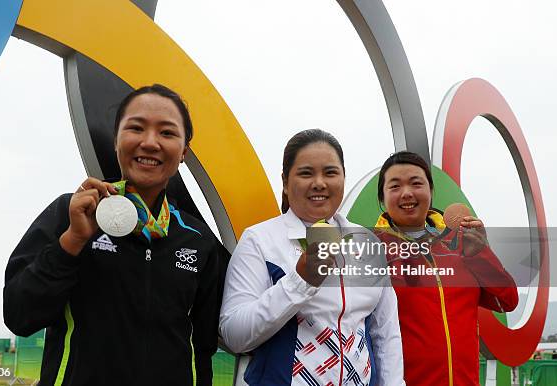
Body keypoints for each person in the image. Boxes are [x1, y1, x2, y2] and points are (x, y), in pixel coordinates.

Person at [3, 85, 223, 386]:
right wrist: (72, 241)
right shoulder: (69, 214)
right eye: (136, 128)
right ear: (116, 140)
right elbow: (19, 315)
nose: (150, 142)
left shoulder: (198, 239)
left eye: (167, 133)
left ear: (183, 152)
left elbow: (203, 346)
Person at [220, 129, 405, 386]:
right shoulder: (259, 240)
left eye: (330, 173)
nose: (319, 183)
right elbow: (234, 335)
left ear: (343, 177)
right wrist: (300, 281)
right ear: (285, 182)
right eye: (306, 173)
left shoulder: (367, 242)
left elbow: (385, 332)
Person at [374, 151, 518, 386]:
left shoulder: (459, 243)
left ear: (431, 191)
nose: (407, 193)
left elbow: (507, 300)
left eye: (416, 183)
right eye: (395, 186)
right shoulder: (372, 249)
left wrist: (480, 252)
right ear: (383, 197)